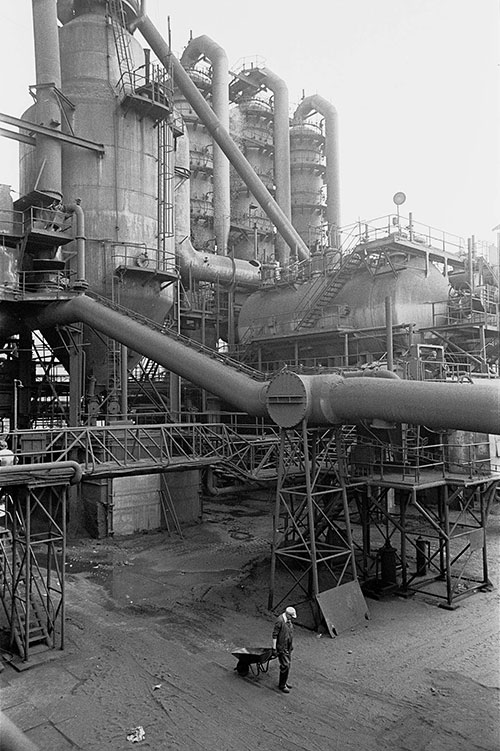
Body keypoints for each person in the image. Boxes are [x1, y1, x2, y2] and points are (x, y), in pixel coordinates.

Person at [272, 606, 297, 693]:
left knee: (288, 665)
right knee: (285, 665)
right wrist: (274, 648)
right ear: (287, 614)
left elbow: (289, 634)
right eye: (291, 616)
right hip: (281, 647)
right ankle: (282, 685)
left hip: (287, 646)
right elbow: (275, 635)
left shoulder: (289, 621)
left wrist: (291, 645)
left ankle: (284, 682)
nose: (292, 619)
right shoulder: (280, 621)